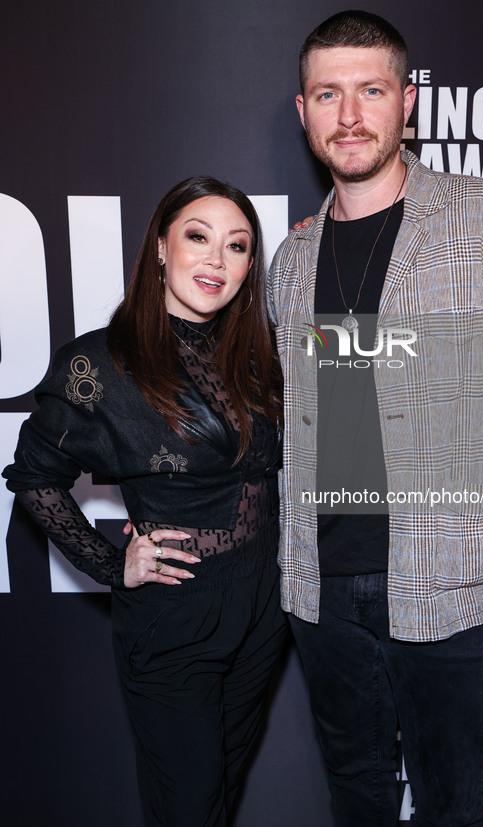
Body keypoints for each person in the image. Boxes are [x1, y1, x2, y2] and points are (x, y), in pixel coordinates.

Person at [268, 10, 483, 827]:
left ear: (406, 102)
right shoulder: (292, 257)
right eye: (326, 94)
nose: (348, 115)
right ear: (302, 112)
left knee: (450, 806)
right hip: (321, 586)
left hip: (450, 583)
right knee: (357, 797)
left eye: (369, 91)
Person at [3, 177, 286, 827]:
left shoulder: (257, 350)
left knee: (219, 791)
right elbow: (35, 476)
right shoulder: (101, 364)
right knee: (187, 806)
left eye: (237, 246)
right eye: (198, 236)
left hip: (266, 609)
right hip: (175, 615)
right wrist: (111, 564)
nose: (216, 259)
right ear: (160, 246)